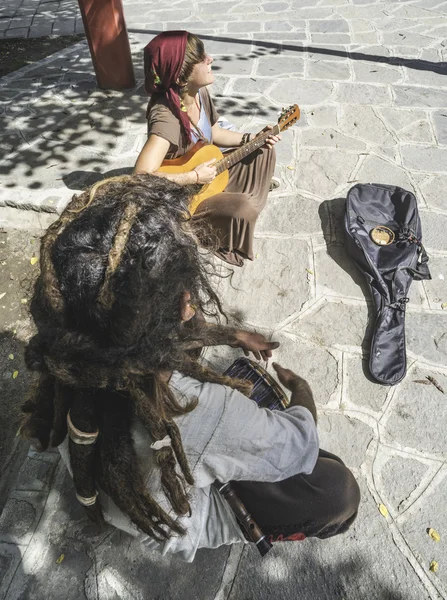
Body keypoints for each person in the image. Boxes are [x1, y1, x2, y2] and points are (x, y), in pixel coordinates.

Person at [21, 174, 360, 562]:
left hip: (122, 485)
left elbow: (155, 342)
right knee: (340, 492)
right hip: (177, 516)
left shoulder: (74, 348)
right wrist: (301, 389)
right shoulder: (200, 409)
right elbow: (300, 443)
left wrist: (232, 336)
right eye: (185, 293)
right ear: (182, 304)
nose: (190, 304)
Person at [134, 30, 279, 267]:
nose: (209, 59)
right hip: (187, 197)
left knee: (263, 149)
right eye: (201, 58)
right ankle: (205, 227)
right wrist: (194, 176)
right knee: (242, 209)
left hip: (208, 175)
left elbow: (215, 132)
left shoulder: (198, 92)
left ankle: (231, 206)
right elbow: (140, 177)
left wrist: (252, 137)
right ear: (181, 78)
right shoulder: (166, 116)